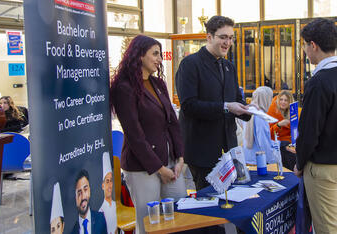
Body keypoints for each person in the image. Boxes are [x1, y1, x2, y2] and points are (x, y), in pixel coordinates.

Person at [110, 35, 186, 233]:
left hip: (170, 162)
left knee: (179, 215)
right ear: (139, 55)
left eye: (160, 54)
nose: (160, 59)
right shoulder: (124, 88)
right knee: (148, 223)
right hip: (142, 167)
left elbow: (173, 123)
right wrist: (160, 169)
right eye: (155, 54)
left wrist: (179, 158)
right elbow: (135, 136)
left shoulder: (158, 84)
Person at [294, 18, 337, 234]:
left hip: (323, 167)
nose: (304, 51)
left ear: (313, 45)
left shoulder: (319, 81)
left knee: (326, 228)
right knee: (329, 219)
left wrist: (299, 162)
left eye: (304, 46)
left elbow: (309, 131)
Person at [175, 15, 251, 190]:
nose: (228, 42)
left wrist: (249, 109)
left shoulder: (229, 67)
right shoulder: (190, 64)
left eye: (231, 37)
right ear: (209, 37)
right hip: (203, 152)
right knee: (210, 207)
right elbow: (189, 106)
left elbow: (236, 101)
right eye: (223, 37)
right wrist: (225, 107)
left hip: (229, 150)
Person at [243, 86, 276, 165]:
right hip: (259, 161)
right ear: (265, 99)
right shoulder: (261, 116)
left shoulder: (249, 111)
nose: (271, 101)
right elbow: (263, 142)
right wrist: (272, 160)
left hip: (247, 157)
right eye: (270, 98)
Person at [71, 169, 107, 234]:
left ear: (89, 191)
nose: (83, 197)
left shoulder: (100, 219)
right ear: (75, 197)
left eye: (85, 189)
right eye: (79, 193)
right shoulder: (73, 232)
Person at [267, 90, 296, 170]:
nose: (283, 102)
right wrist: (279, 125)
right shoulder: (272, 112)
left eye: (286, 100)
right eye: (281, 99)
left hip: (290, 143)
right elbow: (269, 134)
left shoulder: (293, 113)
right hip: (277, 144)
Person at [98, 152, 117, 234]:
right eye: (107, 181)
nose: (110, 185)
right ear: (103, 186)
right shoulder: (100, 212)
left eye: (111, 181)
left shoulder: (116, 205)